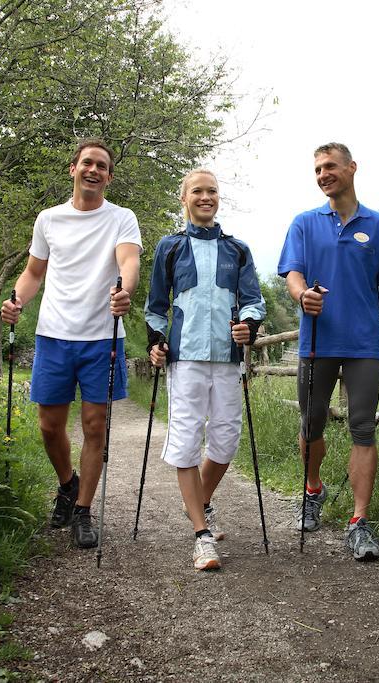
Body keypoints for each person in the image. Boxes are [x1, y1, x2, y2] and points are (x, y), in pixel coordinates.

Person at [277, 142, 379, 562]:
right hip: (317, 343)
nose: (323, 174)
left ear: (352, 168)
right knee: (312, 423)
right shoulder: (304, 223)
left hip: (362, 347)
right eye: (317, 169)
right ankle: (312, 489)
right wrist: (302, 297)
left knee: (362, 427)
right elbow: (294, 274)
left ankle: (359, 522)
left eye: (330, 166)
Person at [1, 138, 142, 549]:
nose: (94, 170)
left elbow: (128, 260)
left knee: (94, 425)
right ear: (73, 169)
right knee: (49, 425)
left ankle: (82, 510)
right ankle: (68, 482)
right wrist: (16, 301)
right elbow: (32, 273)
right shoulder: (49, 219)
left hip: (102, 336)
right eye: (87, 163)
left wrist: (125, 290)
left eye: (102, 166)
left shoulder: (121, 218)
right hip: (54, 334)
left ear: (109, 177)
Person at [144, 168, 265, 571]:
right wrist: (155, 342)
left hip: (228, 358)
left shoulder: (238, 249)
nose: (206, 197)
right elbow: (157, 305)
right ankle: (201, 536)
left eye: (212, 191)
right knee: (186, 438)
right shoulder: (170, 246)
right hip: (186, 357)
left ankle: (201, 501)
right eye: (197, 191)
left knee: (227, 440)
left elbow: (253, 301)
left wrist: (249, 325)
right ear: (184, 198)